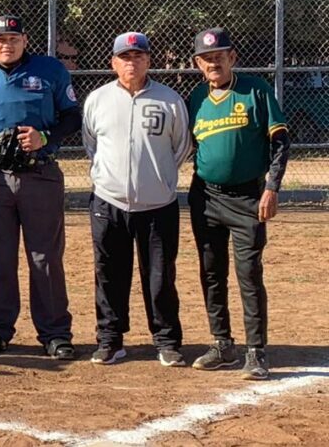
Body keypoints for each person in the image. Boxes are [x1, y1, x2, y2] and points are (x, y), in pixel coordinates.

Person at [0, 15, 82, 360]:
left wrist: (47, 136)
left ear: (25, 40)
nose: (6, 44)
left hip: (40, 174)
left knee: (45, 257)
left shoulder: (49, 70)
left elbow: (72, 115)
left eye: (13, 38)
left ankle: (55, 332)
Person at [81, 32, 192, 367]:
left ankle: (167, 341)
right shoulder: (97, 100)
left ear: (148, 61)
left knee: (160, 276)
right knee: (108, 272)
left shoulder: (169, 100)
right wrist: (111, 178)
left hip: (158, 205)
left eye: (138, 56)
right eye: (125, 57)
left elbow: (181, 147)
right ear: (113, 62)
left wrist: (156, 179)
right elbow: (92, 146)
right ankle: (110, 340)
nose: (131, 63)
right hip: (108, 202)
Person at [187, 28, 290, 380]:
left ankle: (255, 351)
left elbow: (279, 142)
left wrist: (271, 188)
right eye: (206, 58)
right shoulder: (196, 97)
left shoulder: (256, 90)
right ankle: (221, 343)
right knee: (212, 273)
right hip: (205, 196)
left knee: (249, 275)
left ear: (233, 58)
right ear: (198, 64)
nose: (214, 62)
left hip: (248, 197)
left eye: (220, 56)